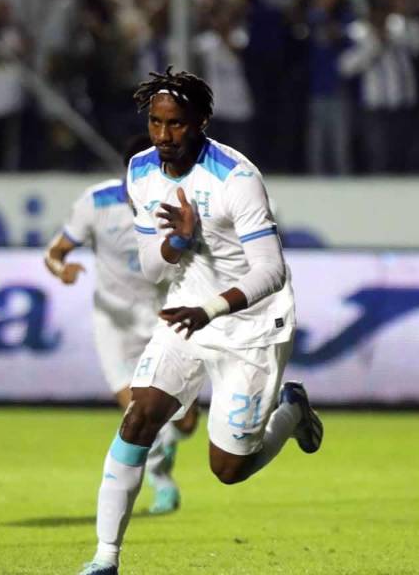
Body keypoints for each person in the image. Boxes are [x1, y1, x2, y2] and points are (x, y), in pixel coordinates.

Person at [77, 67, 323, 575]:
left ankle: (291, 411)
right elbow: (152, 264)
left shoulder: (236, 178)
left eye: (176, 125)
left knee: (228, 469)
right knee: (138, 417)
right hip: (186, 312)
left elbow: (272, 271)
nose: (164, 137)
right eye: (156, 124)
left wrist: (209, 308)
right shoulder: (142, 170)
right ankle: (105, 559)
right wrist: (180, 242)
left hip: (252, 324)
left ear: (202, 121)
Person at [45, 134, 199, 517]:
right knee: (138, 413)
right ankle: (162, 483)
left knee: (186, 423)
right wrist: (61, 269)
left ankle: (165, 453)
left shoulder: (178, 207)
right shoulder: (96, 203)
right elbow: (54, 252)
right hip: (113, 322)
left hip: (166, 316)